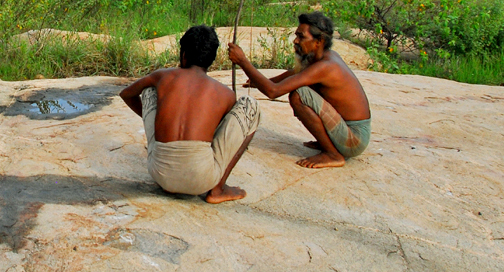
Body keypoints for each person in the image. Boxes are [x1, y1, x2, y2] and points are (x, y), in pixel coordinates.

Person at [120, 25, 260, 203]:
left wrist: (159, 120)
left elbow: (126, 94)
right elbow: (220, 134)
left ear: (184, 55)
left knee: (149, 91)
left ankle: (177, 183)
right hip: (201, 180)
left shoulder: (162, 76)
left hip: (160, 174)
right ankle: (217, 189)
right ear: (211, 59)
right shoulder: (225, 93)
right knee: (250, 105)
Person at [228, 12, 370, 169]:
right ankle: (329, 143)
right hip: (350, 130)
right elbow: (296, 74)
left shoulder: (325, 67)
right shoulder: (322, 57)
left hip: (354, 139)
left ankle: (333, 154)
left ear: (319, 41)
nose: (296, 41)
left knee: (299, 95)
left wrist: (243, 62)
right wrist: (262, 81)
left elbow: (273, 92)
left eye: (301, 37)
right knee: (301, 89)